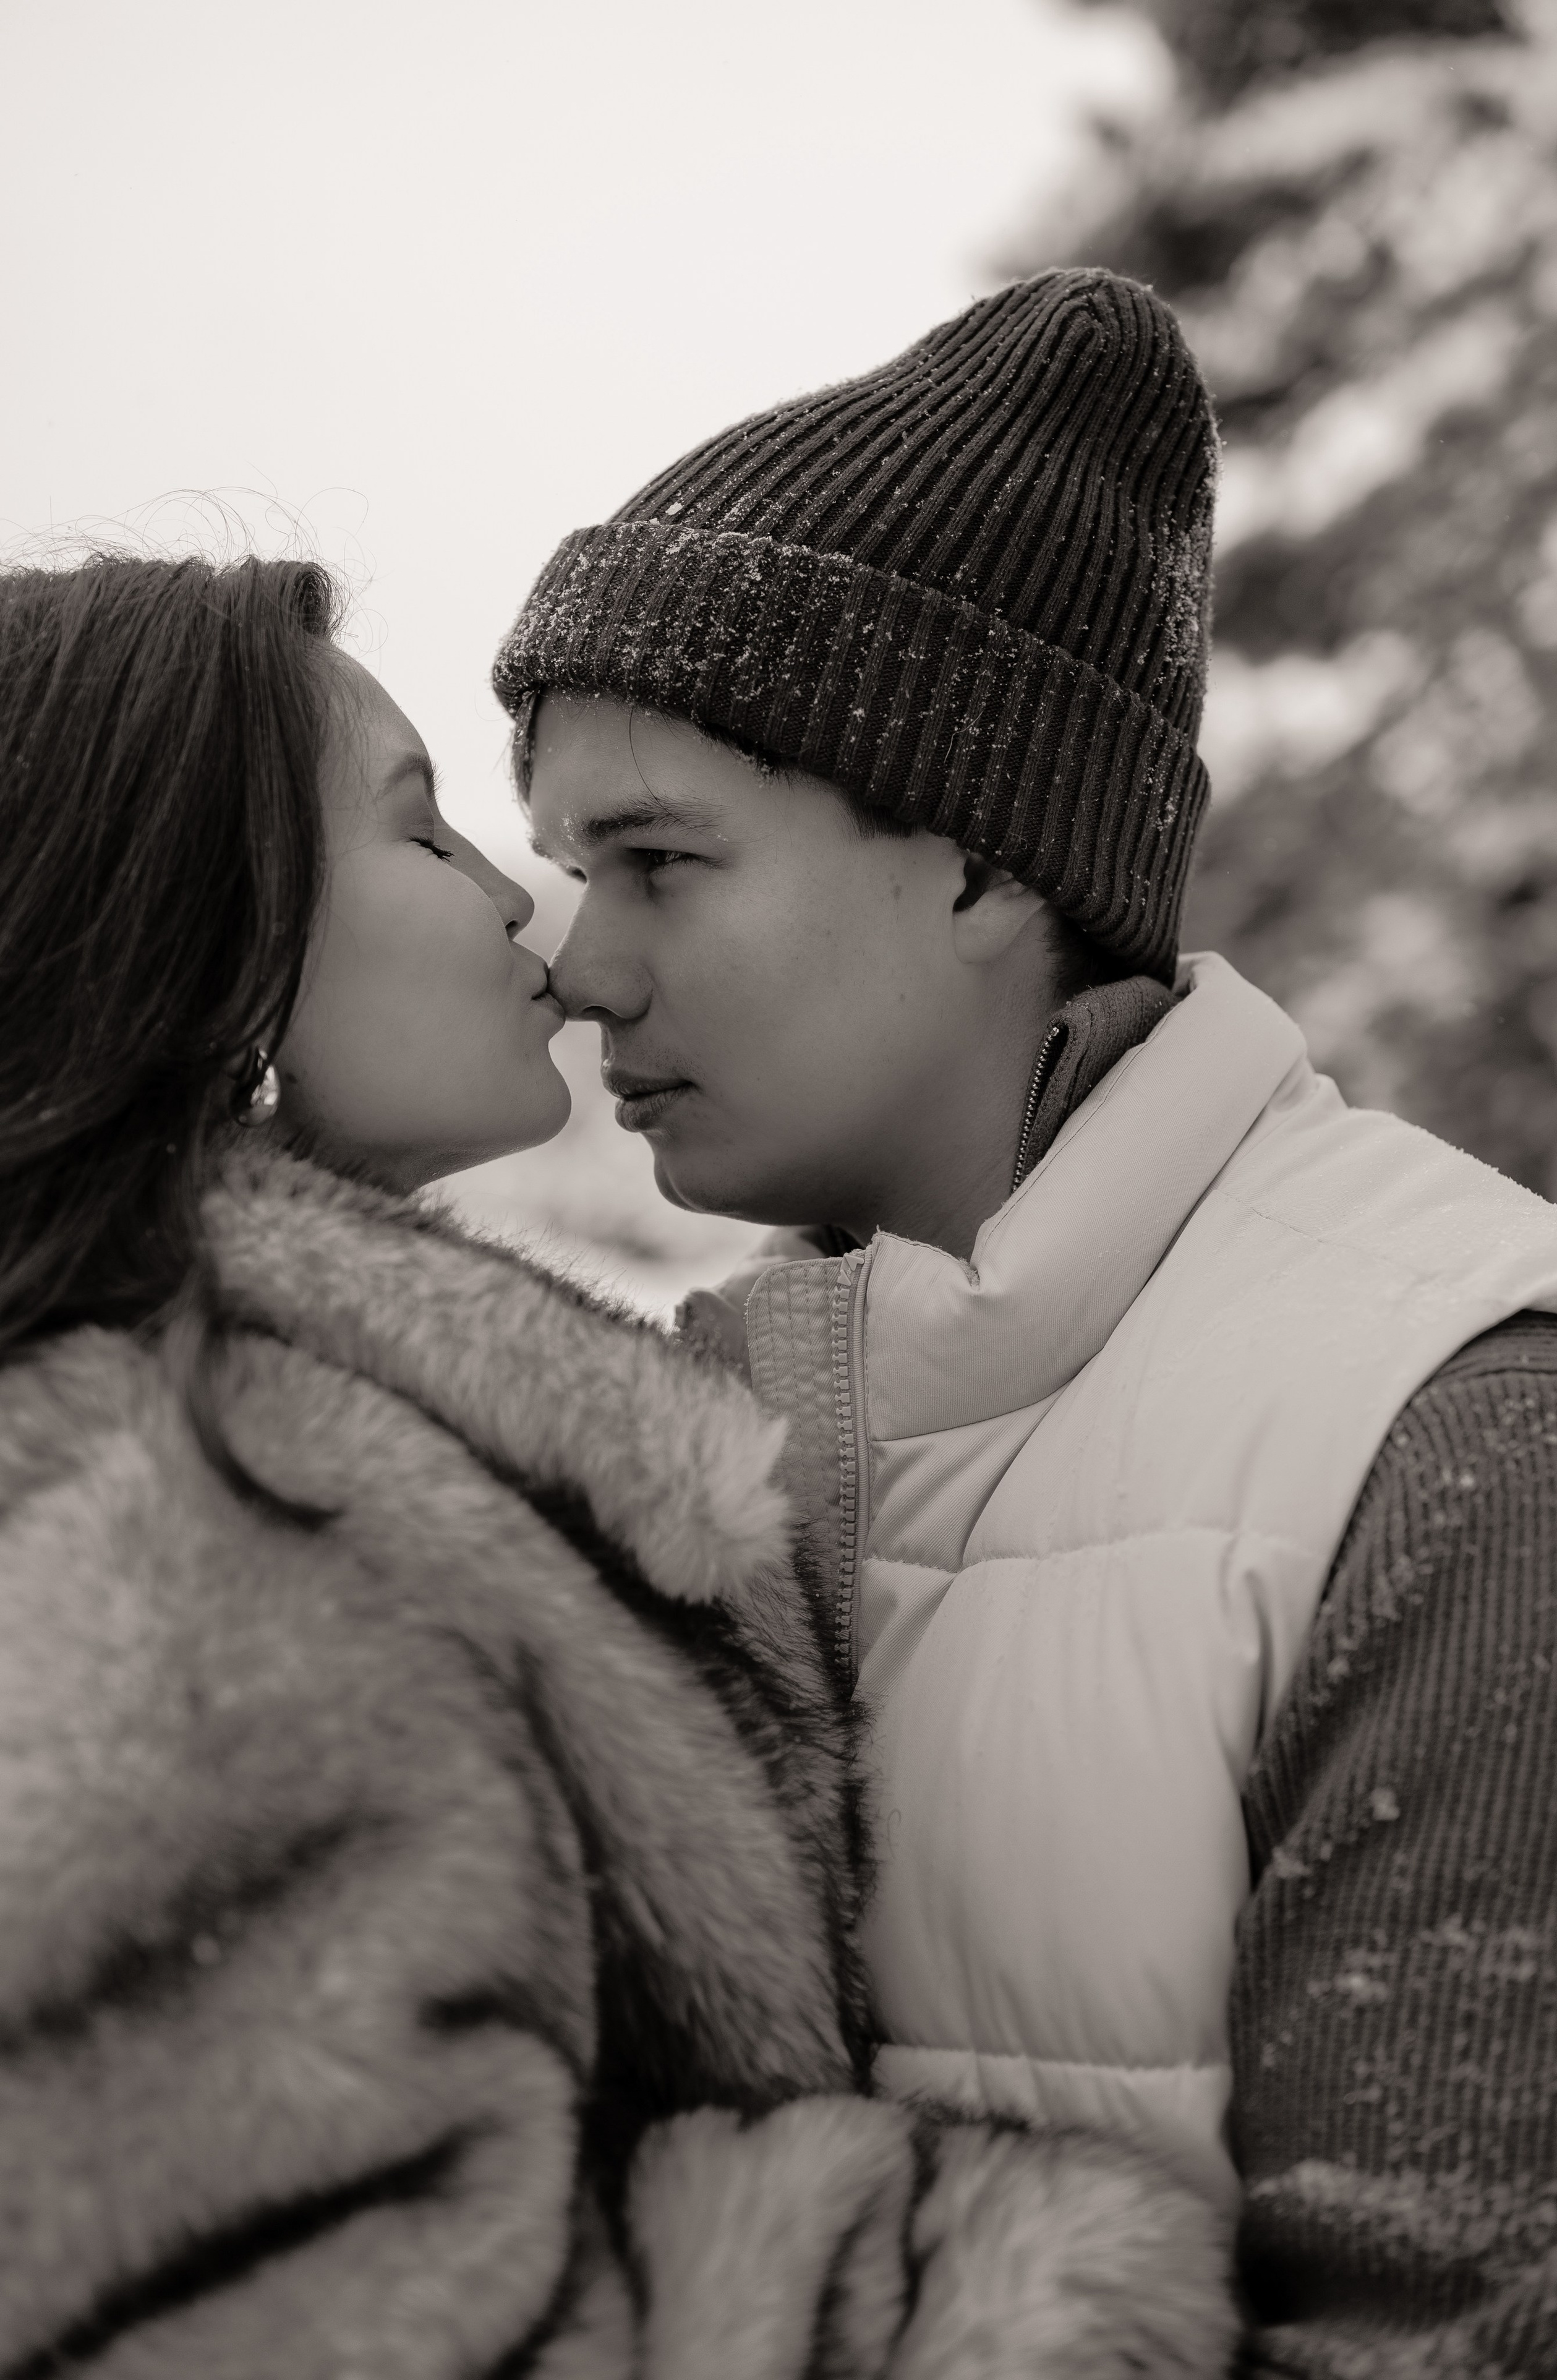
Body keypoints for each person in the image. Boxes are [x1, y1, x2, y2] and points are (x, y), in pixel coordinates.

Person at [496, 265, 1557, 2366]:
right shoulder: (711, 1414)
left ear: (990, 860)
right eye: (564, 868)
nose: (580, 968)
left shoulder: (1461, 1440)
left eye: (659, 860)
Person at [0, 550, 1233, 2377]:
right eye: (427, 839)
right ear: (203, 927)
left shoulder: (312, 1438)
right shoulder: (182, 1535)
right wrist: (995, 2298)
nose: (543, 930)